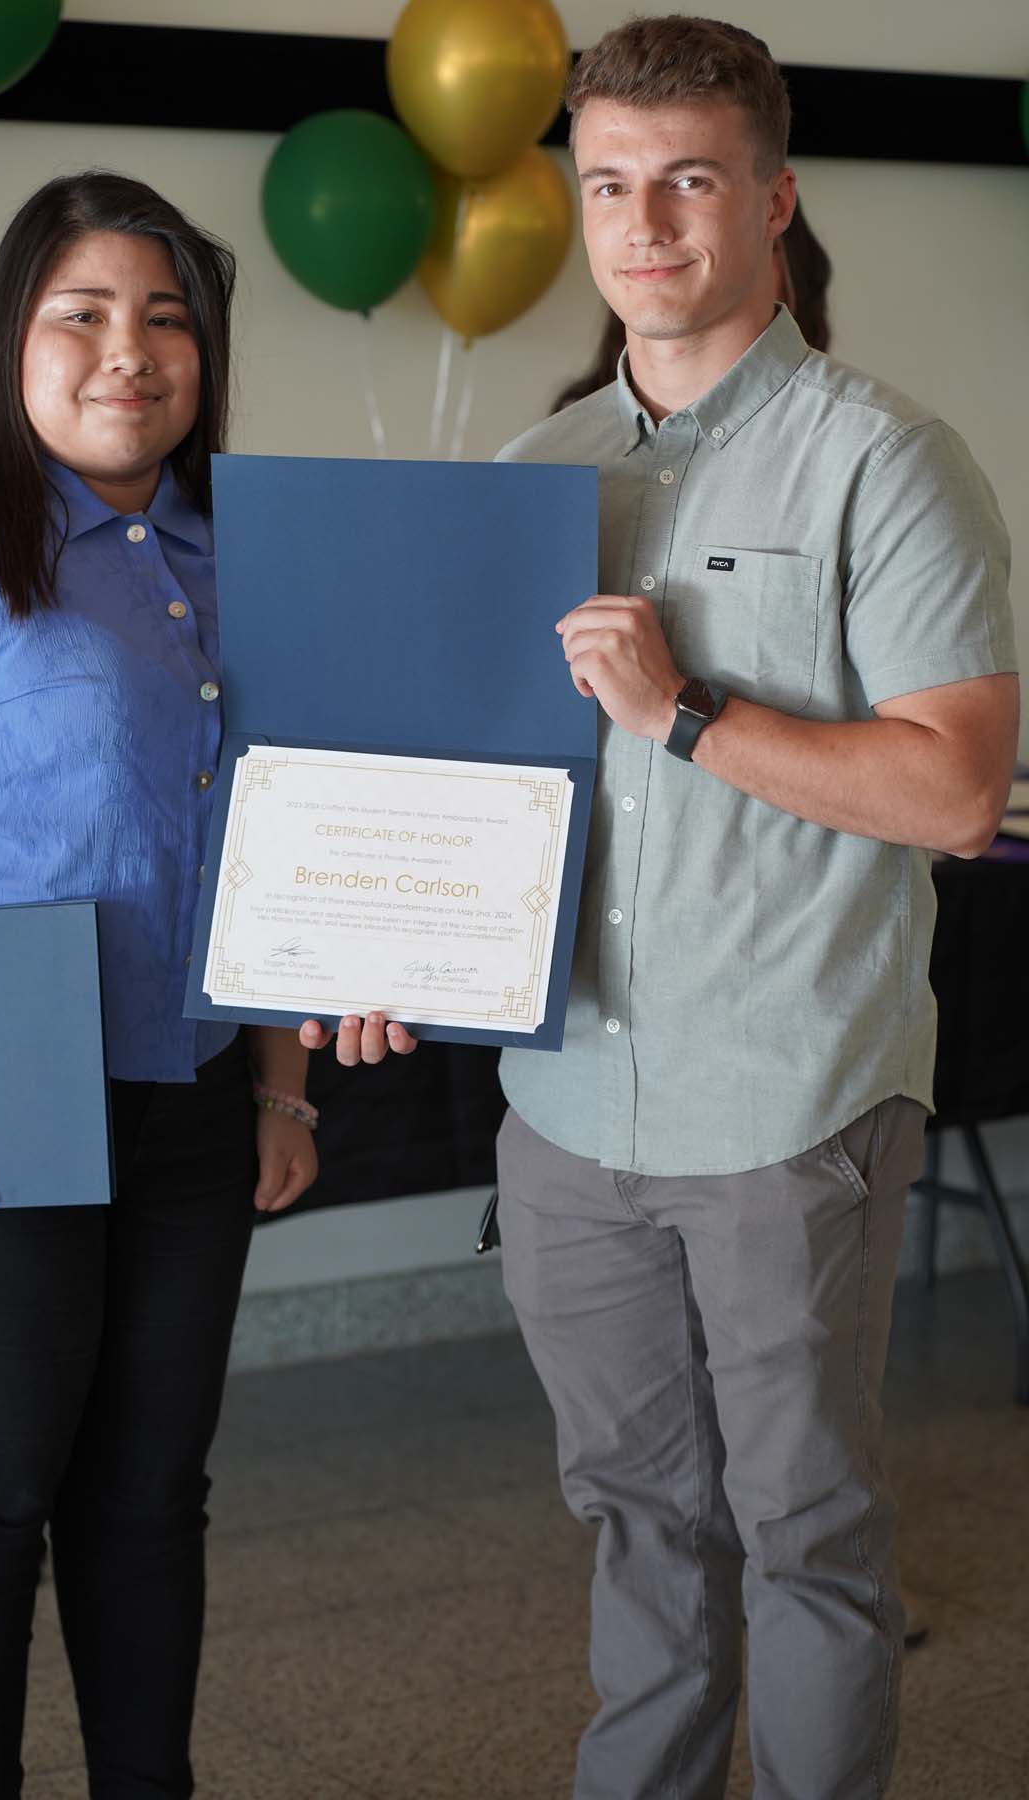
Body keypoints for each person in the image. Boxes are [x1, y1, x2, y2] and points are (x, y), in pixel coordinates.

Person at [488, 17, 1017, 1800]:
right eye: (612, 185)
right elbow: (480, 796)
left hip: (785, 1099)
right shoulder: (539, 473)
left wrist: (690, 714)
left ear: (773, 203)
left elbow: (949, 792)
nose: (645, 225)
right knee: (639, 1527)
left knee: (805, 1532)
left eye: (690, 181)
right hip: (566, 1106)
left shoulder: (890, 460)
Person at [0, 171, 320, 1800]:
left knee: (146, 1500)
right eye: (84, 315)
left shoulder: (241, 547)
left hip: (184, 1093)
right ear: (14, 344)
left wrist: (278, 1083)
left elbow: (269, 830)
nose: (132, 351)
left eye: (168, 316)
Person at [553, 191, 831, 411]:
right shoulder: (556, 447)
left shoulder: (853, 434)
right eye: (612, 189)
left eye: (692, 184)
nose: (647, 234)